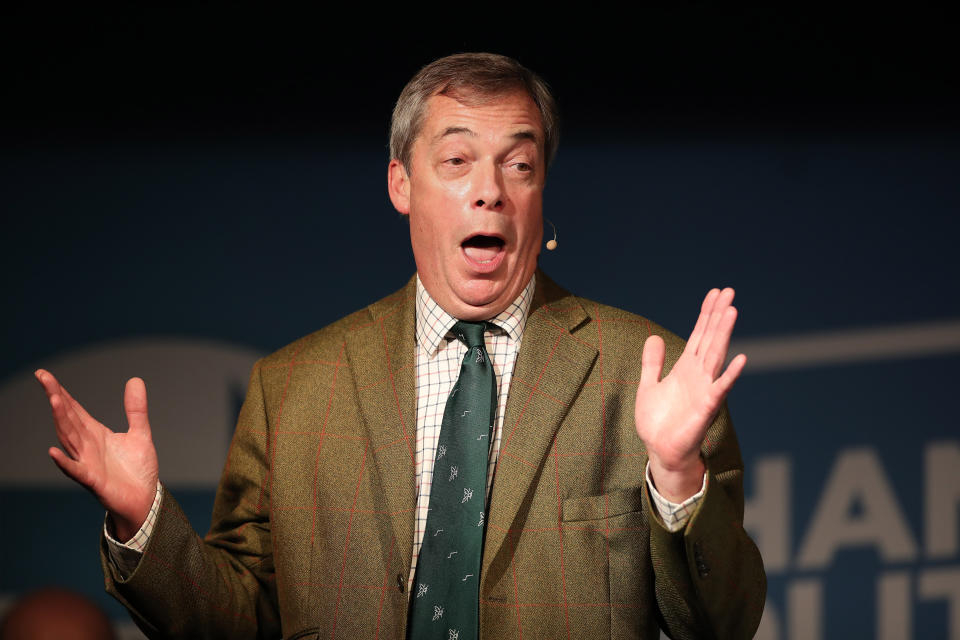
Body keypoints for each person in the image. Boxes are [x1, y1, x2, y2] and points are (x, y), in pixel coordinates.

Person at [36, 53, 765, 639]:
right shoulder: (293, 388)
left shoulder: (646, 375)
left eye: (520, 164)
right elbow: (239, 622)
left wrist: (675, 475)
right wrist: (144, 524)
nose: (491, 191)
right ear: (400, 183)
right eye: (456, 162)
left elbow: (722, 622)